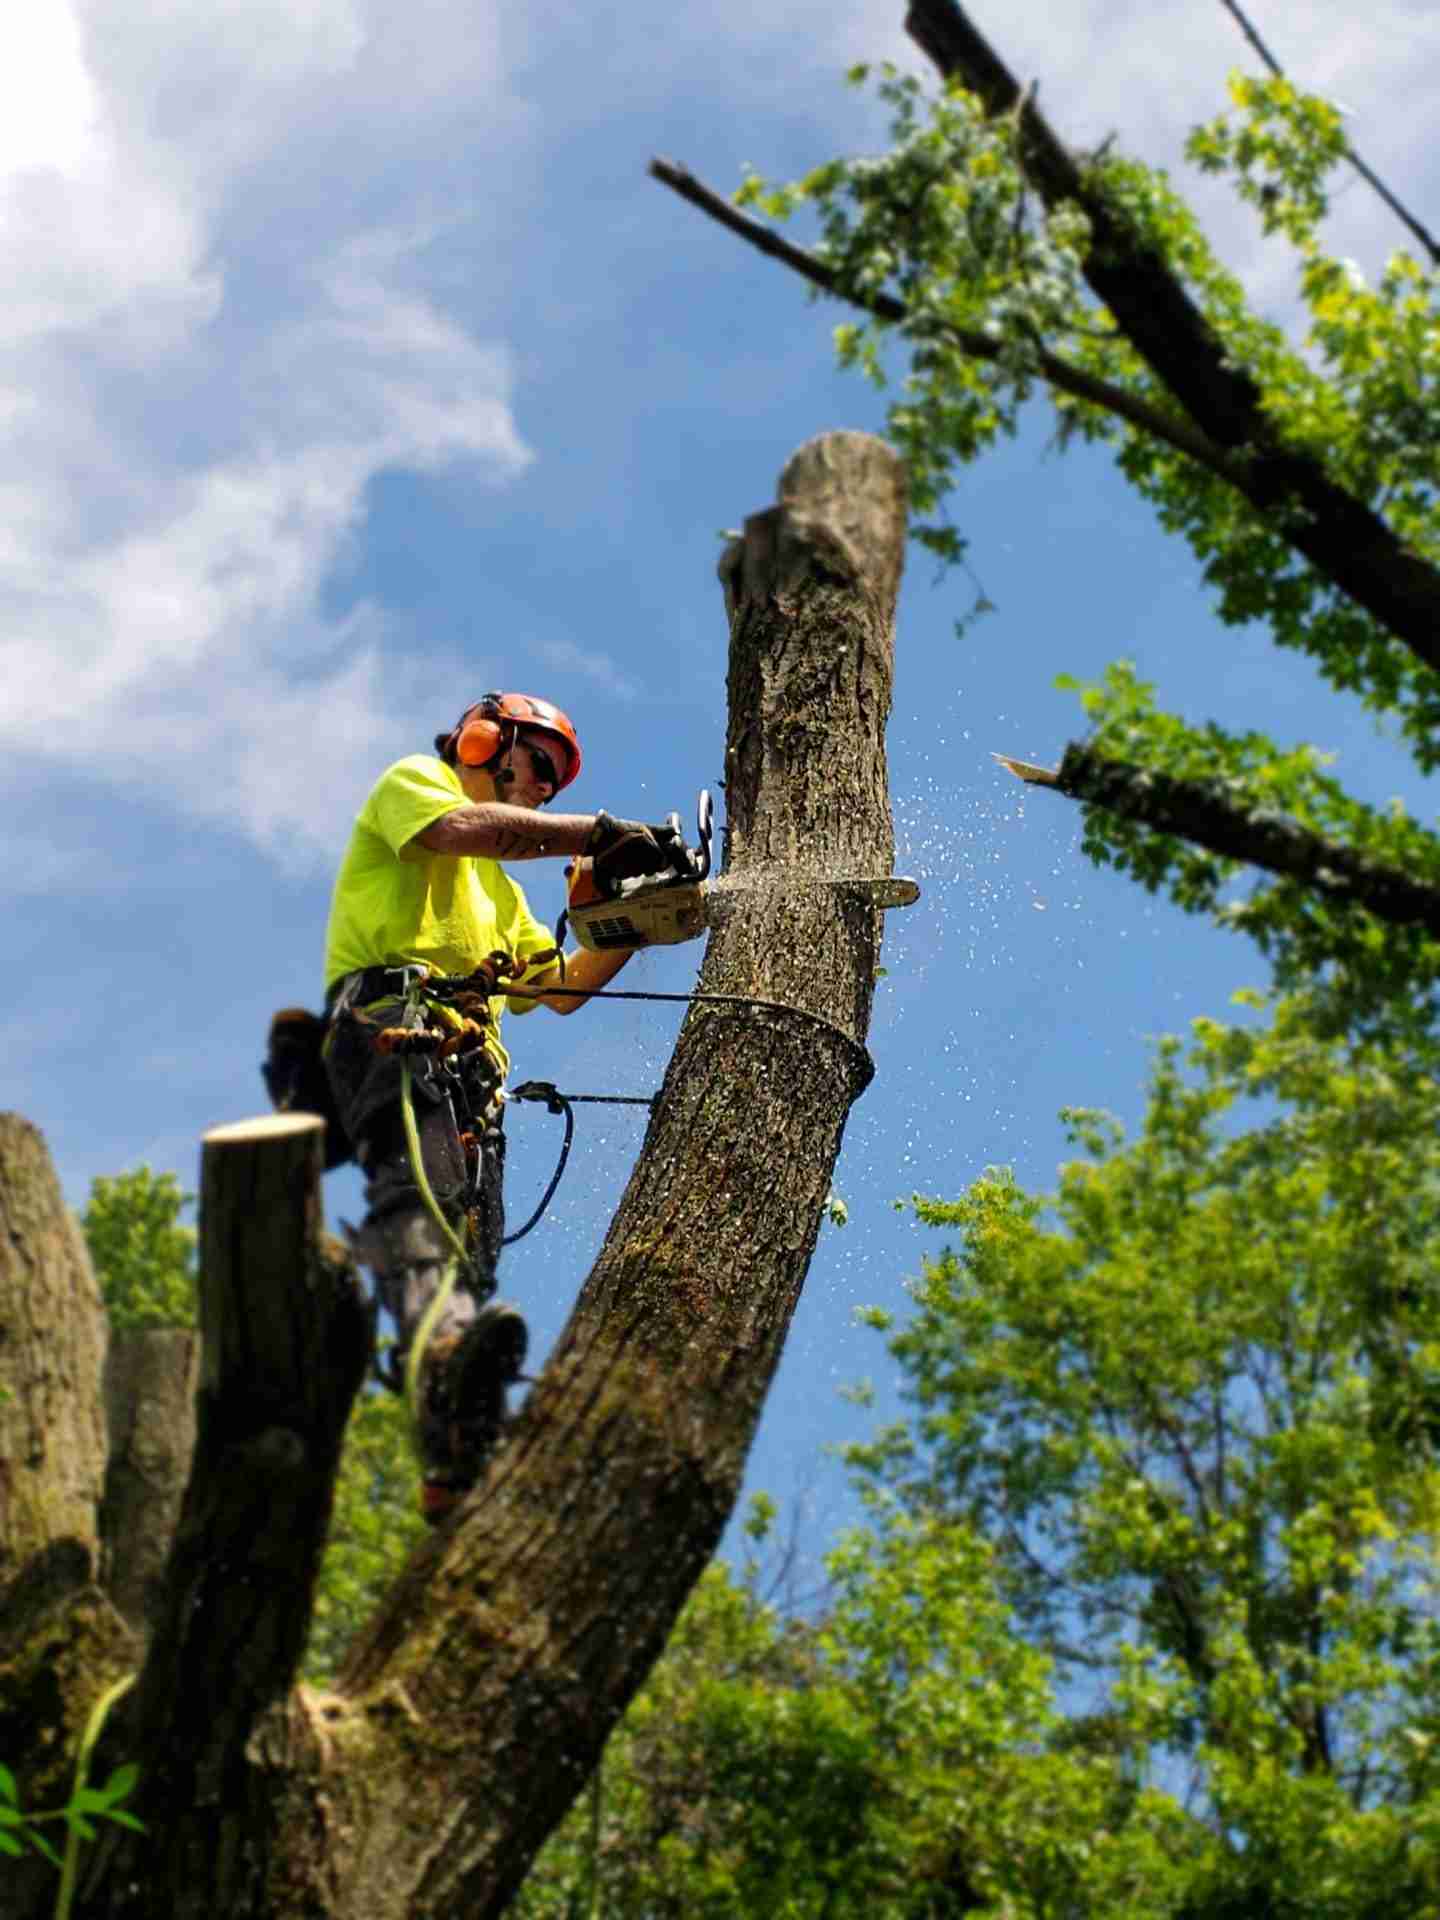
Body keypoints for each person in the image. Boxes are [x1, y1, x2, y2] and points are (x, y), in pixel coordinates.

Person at [322, 691, 680, 1522]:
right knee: (424, 1210)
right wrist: (595, 832)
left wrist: (633, 923)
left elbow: (554, 991)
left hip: (472, 1073)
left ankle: (453, 1456)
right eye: (537, 765)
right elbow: (461, 831)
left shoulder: (501, 894)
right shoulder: (417, 786)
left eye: (556, 783)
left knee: (473, 1260)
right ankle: (443, 1360)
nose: (543, 791)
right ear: (483, 741)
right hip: (394, 1029)